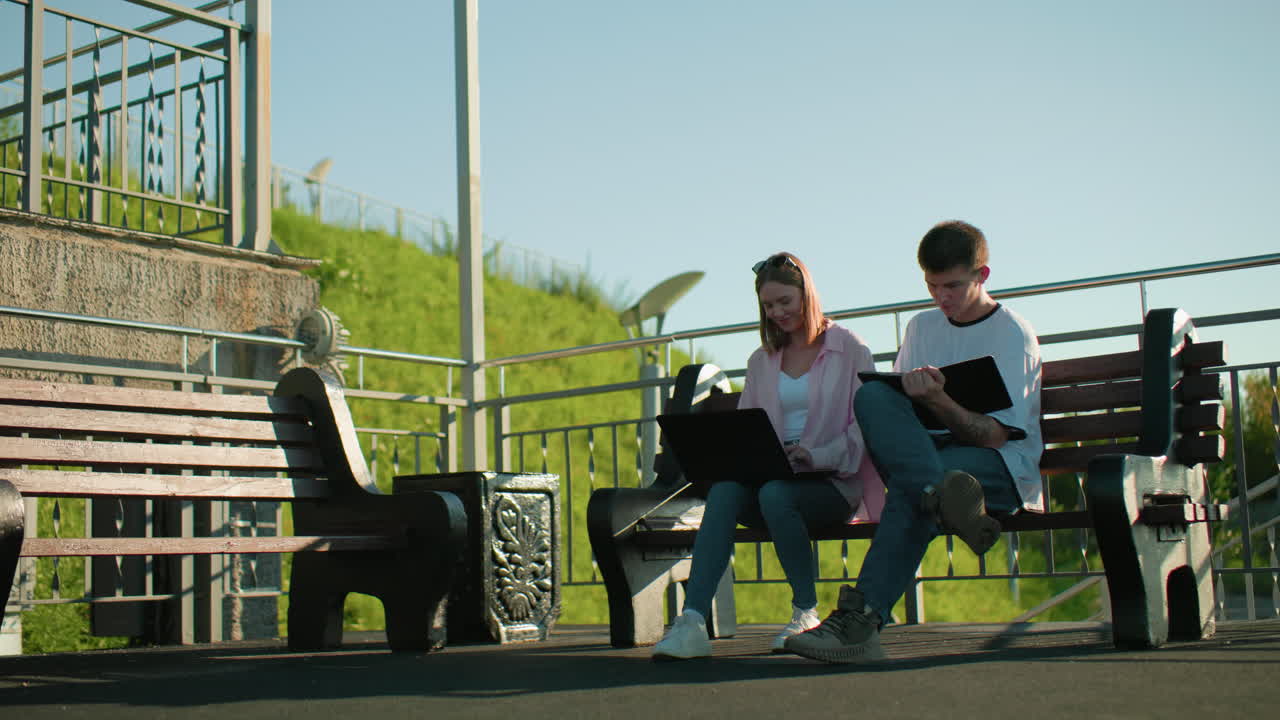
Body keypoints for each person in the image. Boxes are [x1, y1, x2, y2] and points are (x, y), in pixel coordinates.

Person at [785, 220, 1043, 664]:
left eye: (953, 286)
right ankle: (940, 498)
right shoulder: (922, 328)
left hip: (998, 468)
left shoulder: (1012, 334)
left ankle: (859, 622)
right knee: (874, 395)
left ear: (983, 276)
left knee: (913, 491)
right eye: (932, 286)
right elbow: (897, 415)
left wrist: (940, 401)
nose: (941, 297)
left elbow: (995, 436)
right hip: (934, 460)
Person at [653, 252, 885, 660]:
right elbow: (747, 432)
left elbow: (864, 427)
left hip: (831, 483)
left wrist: (814, 454)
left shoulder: (850, 348)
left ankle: (805, 613)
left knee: (777, 493)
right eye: (768, 306)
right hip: (771, 480)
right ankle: (691, 621)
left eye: (785, 302)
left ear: (806, 296)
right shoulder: (761, 361)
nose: (777, 313)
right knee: (727, 491)